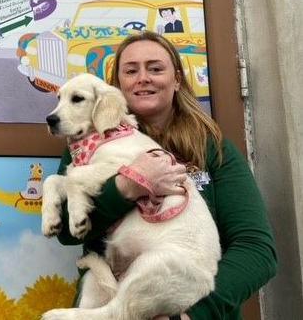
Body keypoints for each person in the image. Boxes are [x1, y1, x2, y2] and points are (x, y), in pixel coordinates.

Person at [54, 31, 277, 319]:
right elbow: (65, 232)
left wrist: (191, 315)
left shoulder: (211, 148)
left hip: (185, 305)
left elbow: (257, 250)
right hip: (105, 303)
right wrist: (126, 188)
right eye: (131, 71)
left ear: (177, 80)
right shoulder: (86, 144)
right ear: (117, 86)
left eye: (156, 69)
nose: (143, 77)